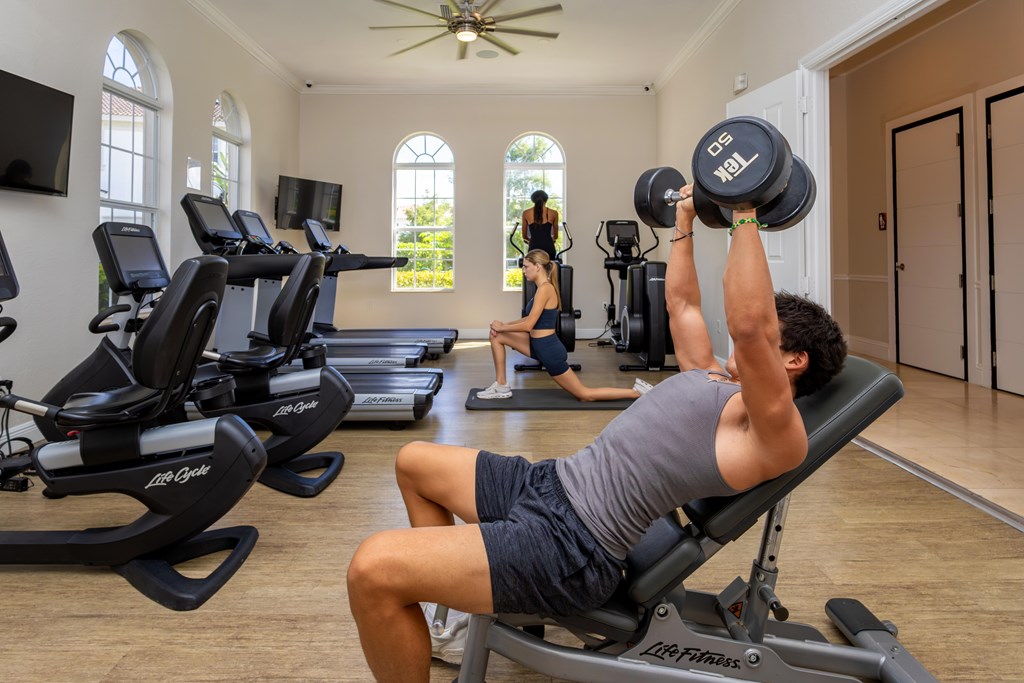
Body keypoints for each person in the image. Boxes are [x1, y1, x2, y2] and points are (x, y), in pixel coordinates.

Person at [347, 185, 848, 683]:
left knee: (373, 570)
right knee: (413, 460)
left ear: (792, 359)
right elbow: (683, 305)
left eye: (770, 338)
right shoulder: (714, 374)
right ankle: (460, 607)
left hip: (574, 546)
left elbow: (749, 324)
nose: (751, 338)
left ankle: (463, 585)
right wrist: (685, 221)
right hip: (550, 482)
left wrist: (744, 208)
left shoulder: (774, 433)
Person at [476, 247, 647, 401]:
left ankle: (636, 392)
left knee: (585, 395)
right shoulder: (541, 288)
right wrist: (502, 326)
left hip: (548, 350)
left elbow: (528, 325)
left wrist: (503, 326)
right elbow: (529, 319)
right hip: (537, 344)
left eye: (526, 266)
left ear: (537, 266)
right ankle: (501, 385)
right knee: (497, 336)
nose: (523, 270)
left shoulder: (545, 289)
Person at [521, 190, 559, 260]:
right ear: (546, 200)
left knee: (534, 270)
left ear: (533, 200)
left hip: (533, 247)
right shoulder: (554, 213)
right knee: (549, 270)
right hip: (549, 247)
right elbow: (556, 236)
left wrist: (531, 240)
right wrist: (550, 240)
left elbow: (524, 236)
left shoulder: (526, 213)